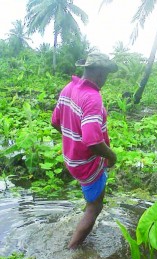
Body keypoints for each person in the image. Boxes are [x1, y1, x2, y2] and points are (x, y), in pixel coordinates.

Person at [51, 52, 118, 249]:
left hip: (71, 159)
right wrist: (112, 156)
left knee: (91, 199)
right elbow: (92, 141)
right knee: (95, 207)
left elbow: (56, 121)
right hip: (87, 163)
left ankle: (79, 231)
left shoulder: (68, 88)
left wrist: (73, 141)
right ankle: (72, 249)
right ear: (99, 73)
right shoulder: (92, 98)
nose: (105, 80)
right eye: (105, 75)